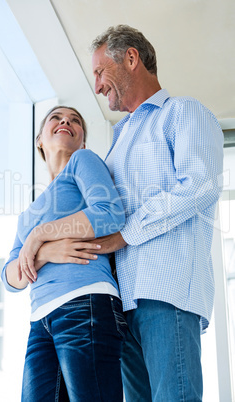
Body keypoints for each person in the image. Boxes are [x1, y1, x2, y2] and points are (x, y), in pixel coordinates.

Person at [86, 25, 223, 401]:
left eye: (99, 72)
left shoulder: (182, 113)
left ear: (130, 58)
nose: (97, 86)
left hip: (164, 294)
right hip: (122, 305)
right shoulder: (117, 141)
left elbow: (199, 184)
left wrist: (125, 234)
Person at [1, 106, 127, 402]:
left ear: (82, 141)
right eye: (56, 118)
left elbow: (110, 214)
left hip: (86, 302)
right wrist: (46, 252)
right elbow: (10, 278)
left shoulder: (82, 161)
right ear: (39, 140)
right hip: (40, 321)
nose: (66, 121)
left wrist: (40, 235)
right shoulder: (27, 214)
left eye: (75, 121)